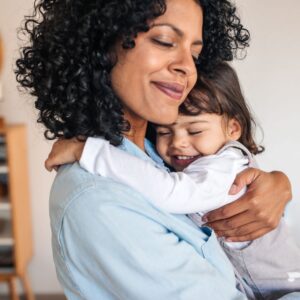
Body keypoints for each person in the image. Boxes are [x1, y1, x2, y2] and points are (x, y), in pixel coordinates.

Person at [16, 0, 294, 299]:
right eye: (164, 41)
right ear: (100, 45)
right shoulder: (100, 201)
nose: (187, 67)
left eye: (195, 54)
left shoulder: (160, 152)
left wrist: (276, 185)